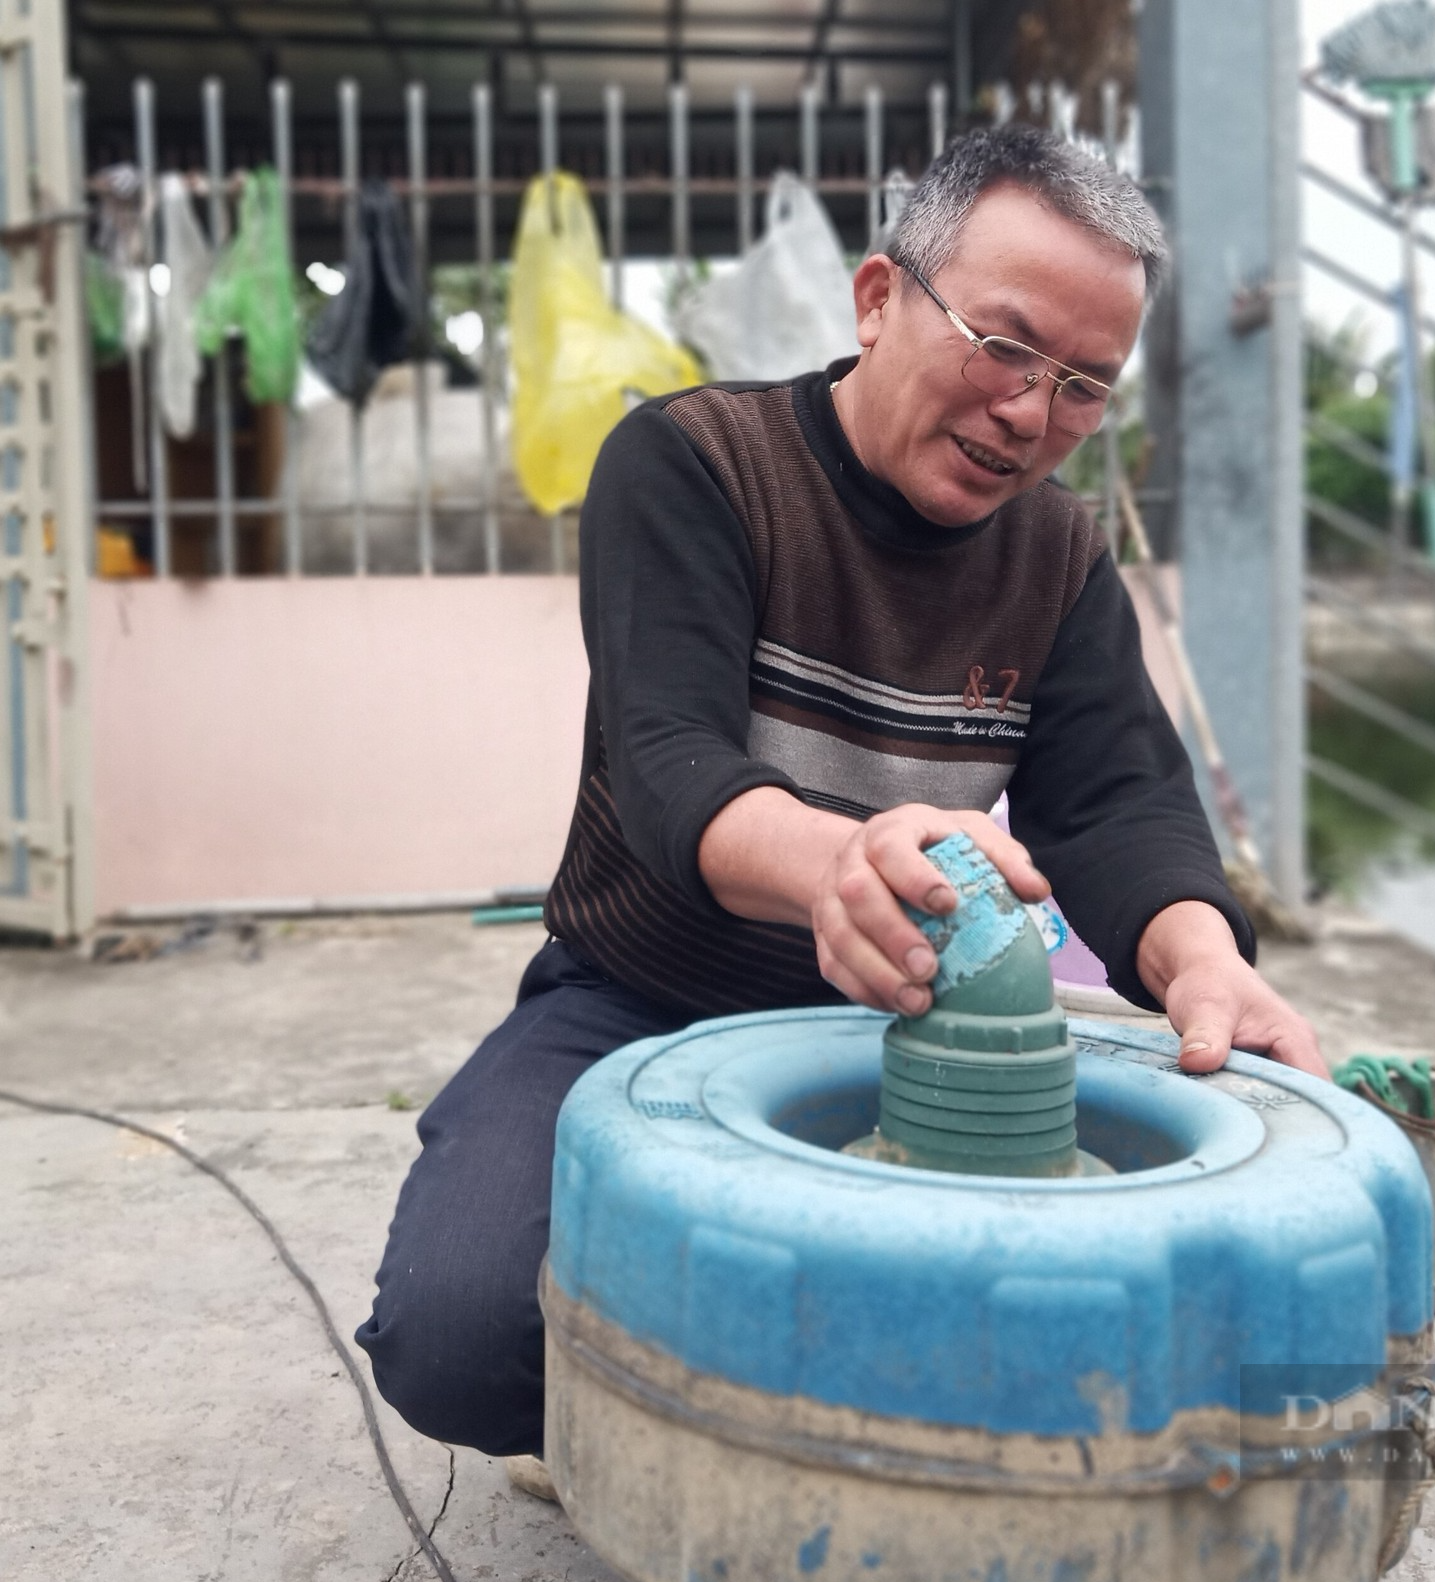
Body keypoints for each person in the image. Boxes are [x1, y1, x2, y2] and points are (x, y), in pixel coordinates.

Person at [355, 125, 1324, 1473]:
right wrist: (835, 865)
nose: (1032, 417)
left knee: (1116, 1322)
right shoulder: (693, 465)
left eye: (1085, 385)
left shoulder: (1056, 552)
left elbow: (1119, 804)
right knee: (456, 1335)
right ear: (879, 300)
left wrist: (1205, 961)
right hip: (641, 998)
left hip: (914, 1028)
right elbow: (671, 763)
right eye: (1006, 345)